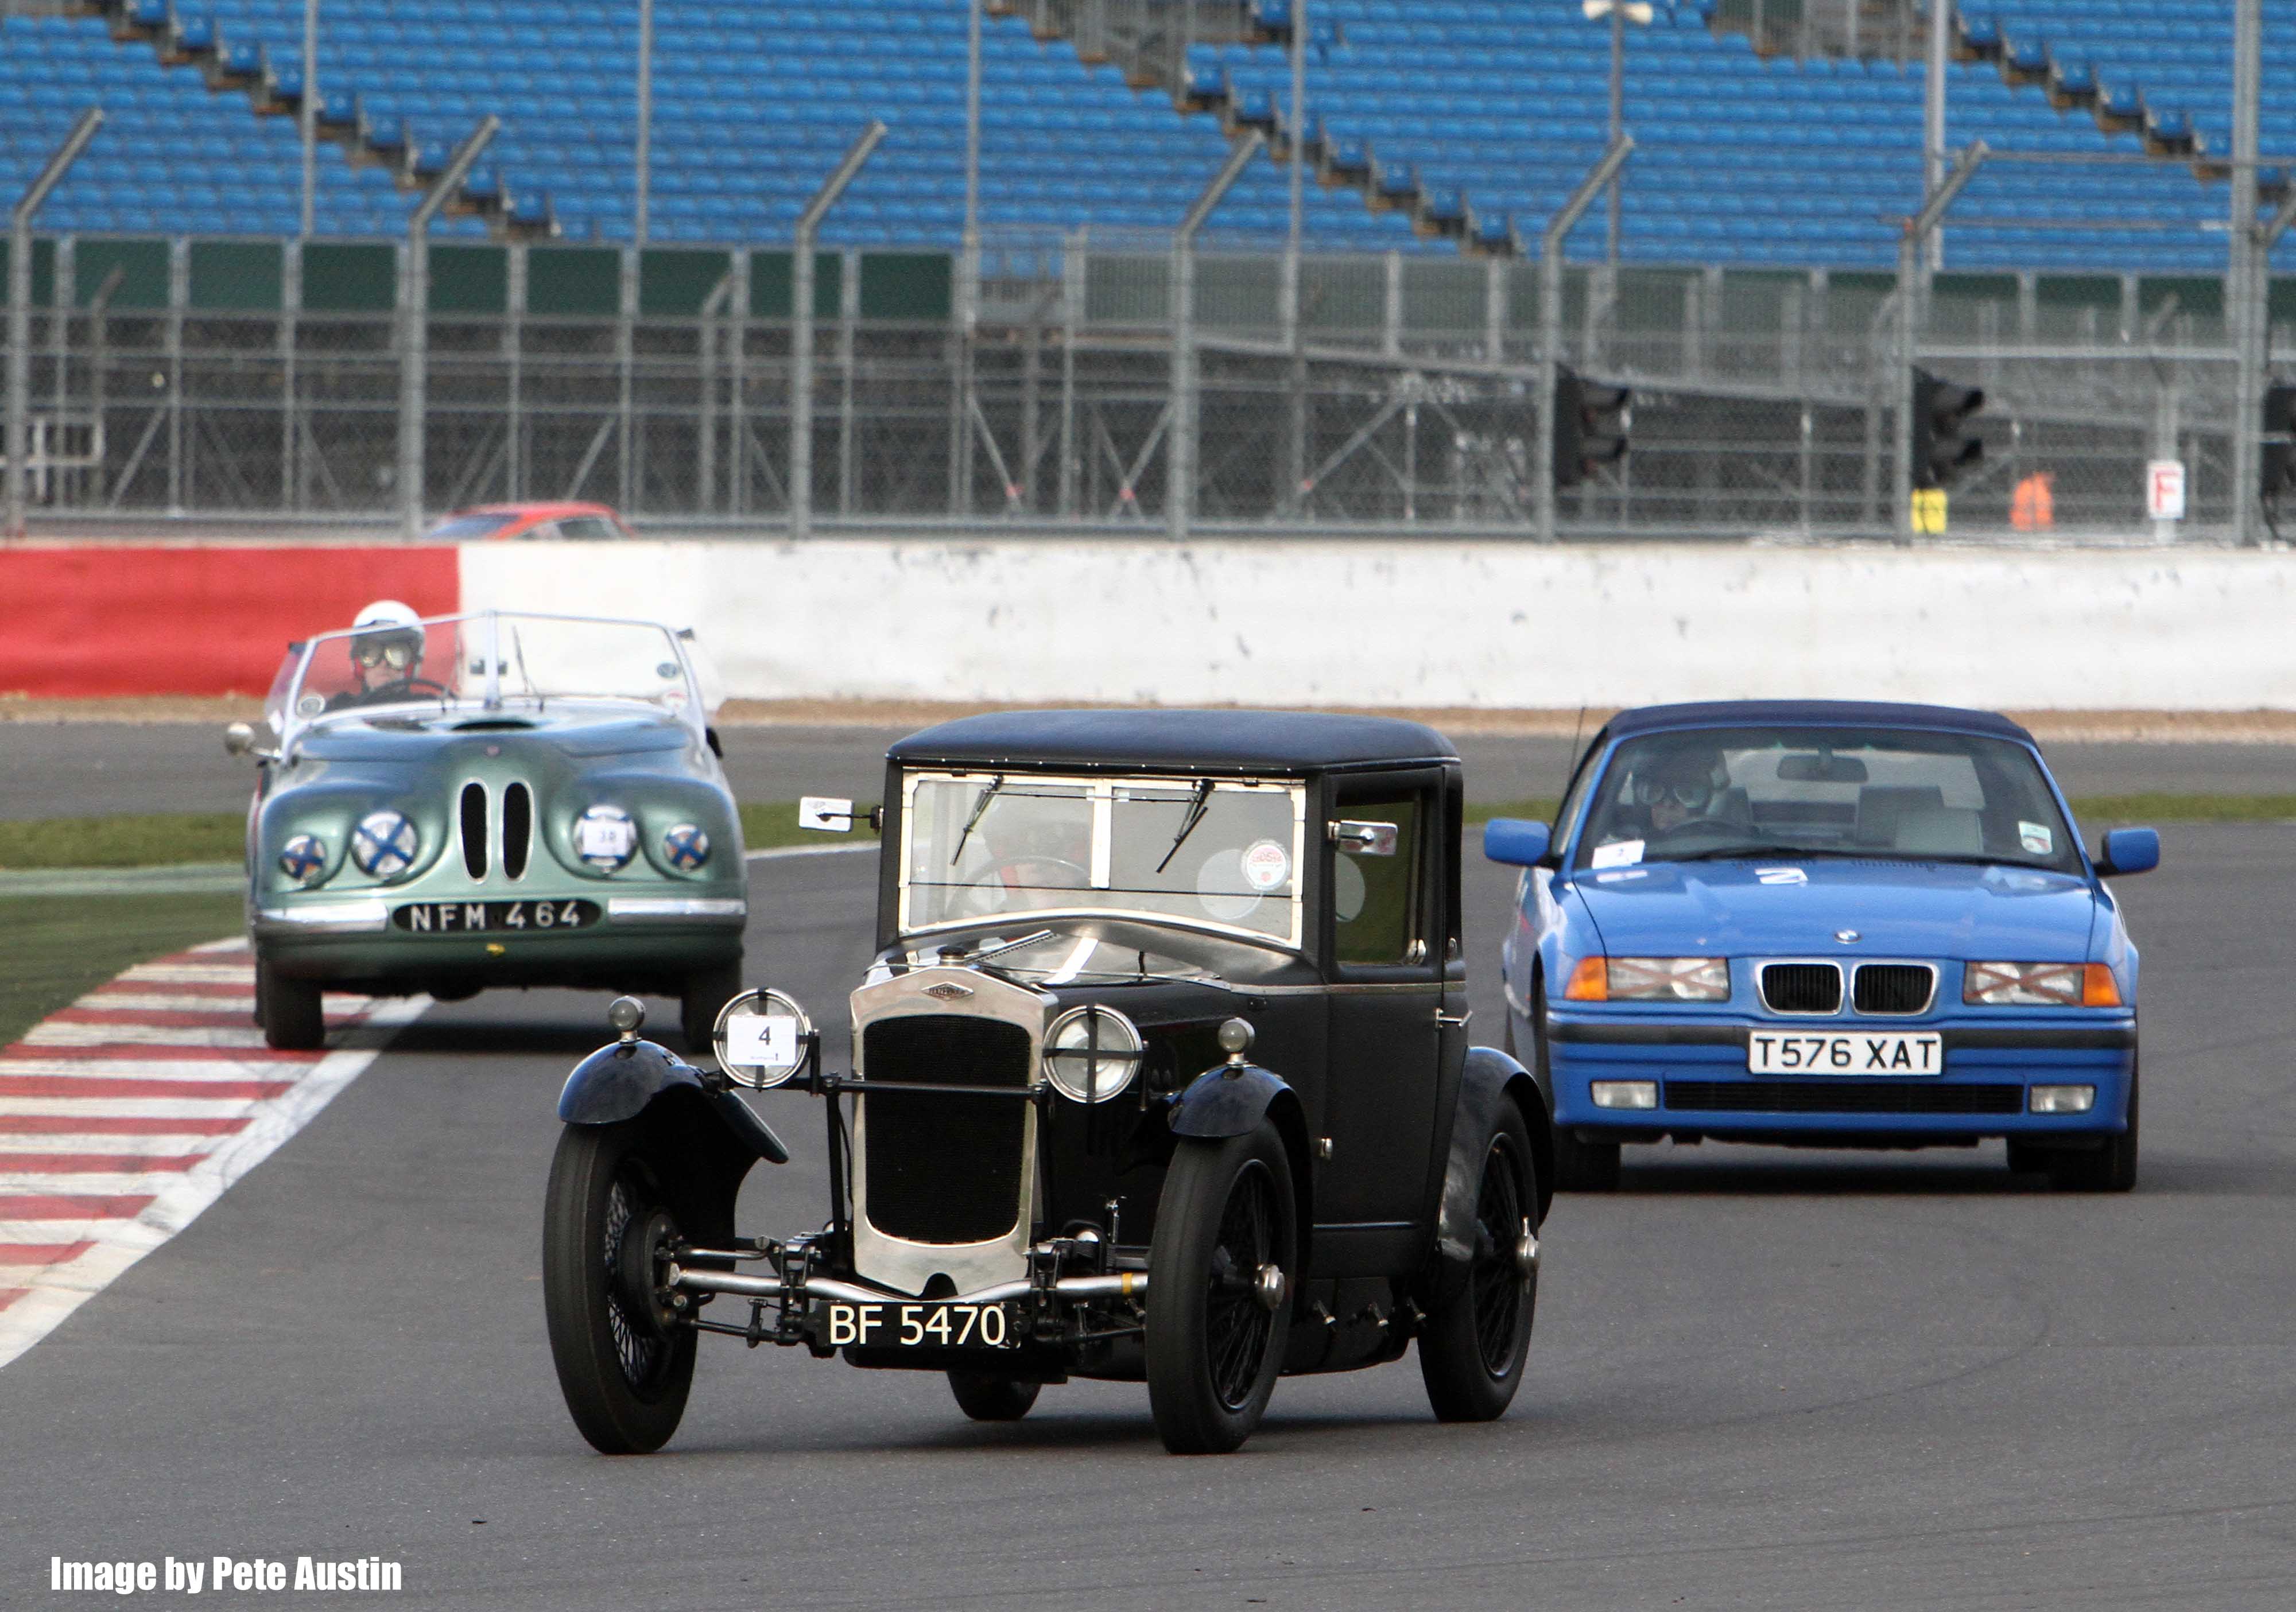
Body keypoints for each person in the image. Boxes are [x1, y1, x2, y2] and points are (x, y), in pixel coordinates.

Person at [327, 600, 435, 710]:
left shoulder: (430, 709)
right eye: (371, 654)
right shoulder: (339, 710)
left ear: (412, 662)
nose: (384, 664)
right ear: (358, 661)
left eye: (396, 654)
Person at [1631, 745, 1728, 836]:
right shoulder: (1626, 845)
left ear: (1710, 801)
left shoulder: (1735, 842)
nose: (1668, 804)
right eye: (1654, 792)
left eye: (1687, 793)